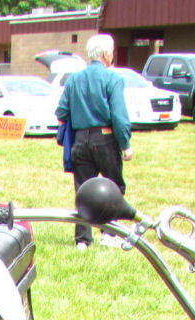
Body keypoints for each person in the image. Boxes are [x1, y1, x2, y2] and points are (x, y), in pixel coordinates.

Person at [55, 33, 132, 250]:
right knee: (114, 188)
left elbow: (61, 110)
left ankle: (82, 240)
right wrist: (125, 144)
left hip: (80, 141)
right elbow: (119, 116)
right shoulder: (112, 79)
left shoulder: (74, 80)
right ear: (107, 54)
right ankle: (110, 234)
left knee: (83, 191)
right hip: (105, 139)